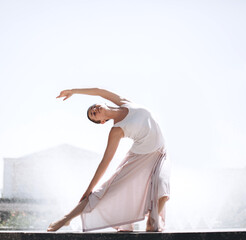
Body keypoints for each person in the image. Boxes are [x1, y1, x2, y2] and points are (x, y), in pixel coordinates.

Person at [47, 88, 170, 232]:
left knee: (163, 186)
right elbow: (105, 161)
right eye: (93, 114)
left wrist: (73, 91)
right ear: (102, 121)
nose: (95, 109)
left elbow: (98, 90)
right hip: (139, 159)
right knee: (105, 191)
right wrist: (88, 190)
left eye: (93, 107)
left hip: (161, 152)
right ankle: (66, 219)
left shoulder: (125, 103)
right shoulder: (116, 130)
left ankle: (153, 220)